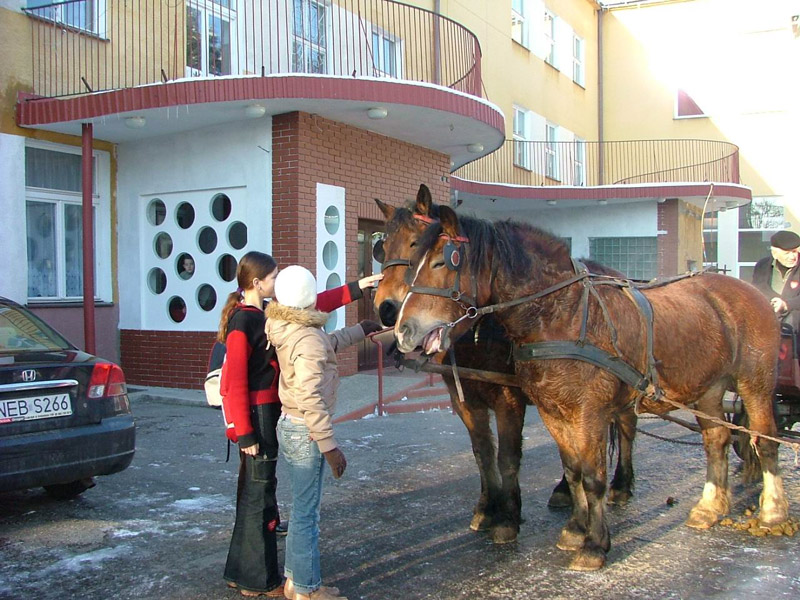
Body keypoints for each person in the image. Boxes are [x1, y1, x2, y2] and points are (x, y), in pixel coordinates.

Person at [218, 252, 382, 598]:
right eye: (273, 277)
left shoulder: (273, 317)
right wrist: (241, 429)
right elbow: (232, 381)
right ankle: (259, 579)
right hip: (266, 416)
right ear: (257, 283)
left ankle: (266, 576)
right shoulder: (248, 320)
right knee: (261, 498)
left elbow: (312, 311)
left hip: (279, 413)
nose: (277, 284)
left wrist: (355, 291)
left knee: (267, 498)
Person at [266, 266, 382, 600]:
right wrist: (330, 446)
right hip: (307, 431)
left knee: (302, 511)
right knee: (306, 516)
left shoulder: (290, 327)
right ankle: (305, 590)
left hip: (294, 426)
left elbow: (326, 343)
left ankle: (295, 581)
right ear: (308, 296)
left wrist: (360, 330)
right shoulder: (305, 337)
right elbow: (309, 396)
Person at [752, 230, 800, 330]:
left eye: (794, 251)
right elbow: (757, 290)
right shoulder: (762, 266)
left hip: (796, 325)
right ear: (775, 253)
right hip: (769, 319)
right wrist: (773, 303)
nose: (792, 257)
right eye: (787, 253)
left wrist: (786, 305)